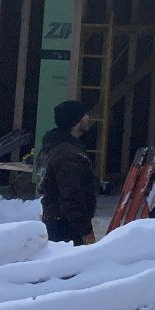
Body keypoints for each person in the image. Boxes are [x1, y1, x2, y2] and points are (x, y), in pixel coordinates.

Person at [37, 99, 99, 244]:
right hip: (66, 227)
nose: (88, 118)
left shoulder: (53, 147)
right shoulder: (67, 155)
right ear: (75, 121)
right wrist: (86, 230)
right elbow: (71, 197)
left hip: (57, 222)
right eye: (84, 115)